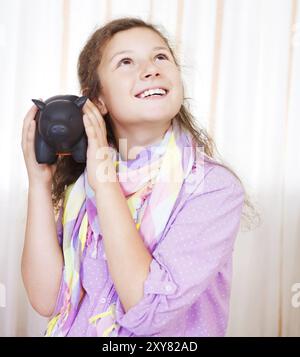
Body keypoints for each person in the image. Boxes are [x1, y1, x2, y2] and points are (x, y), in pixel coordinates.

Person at [21, 17, 249, 337]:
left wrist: (104, 183)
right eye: (126, 61)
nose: (151, 69)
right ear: (96, 100)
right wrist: (39, 185)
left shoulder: (212, 188)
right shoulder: (84, 187)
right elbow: (46, 299)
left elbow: (146, 309)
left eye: (160, 57)